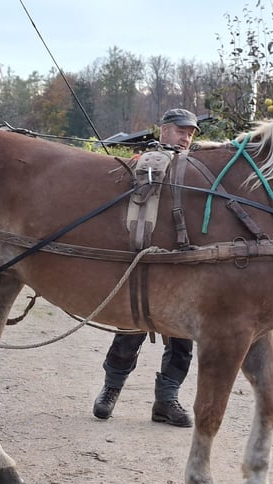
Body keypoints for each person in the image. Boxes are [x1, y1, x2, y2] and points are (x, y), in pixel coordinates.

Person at [92, 108, 200, 427]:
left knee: (182, 337)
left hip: (183, 264)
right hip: (146, 260)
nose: (186, 138)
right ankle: (110, 389)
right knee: (130, 329)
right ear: (164, 130)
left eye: (190, 133)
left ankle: (166, 401)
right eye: (181, 131)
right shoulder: (144, 162)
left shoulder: (196, 168)